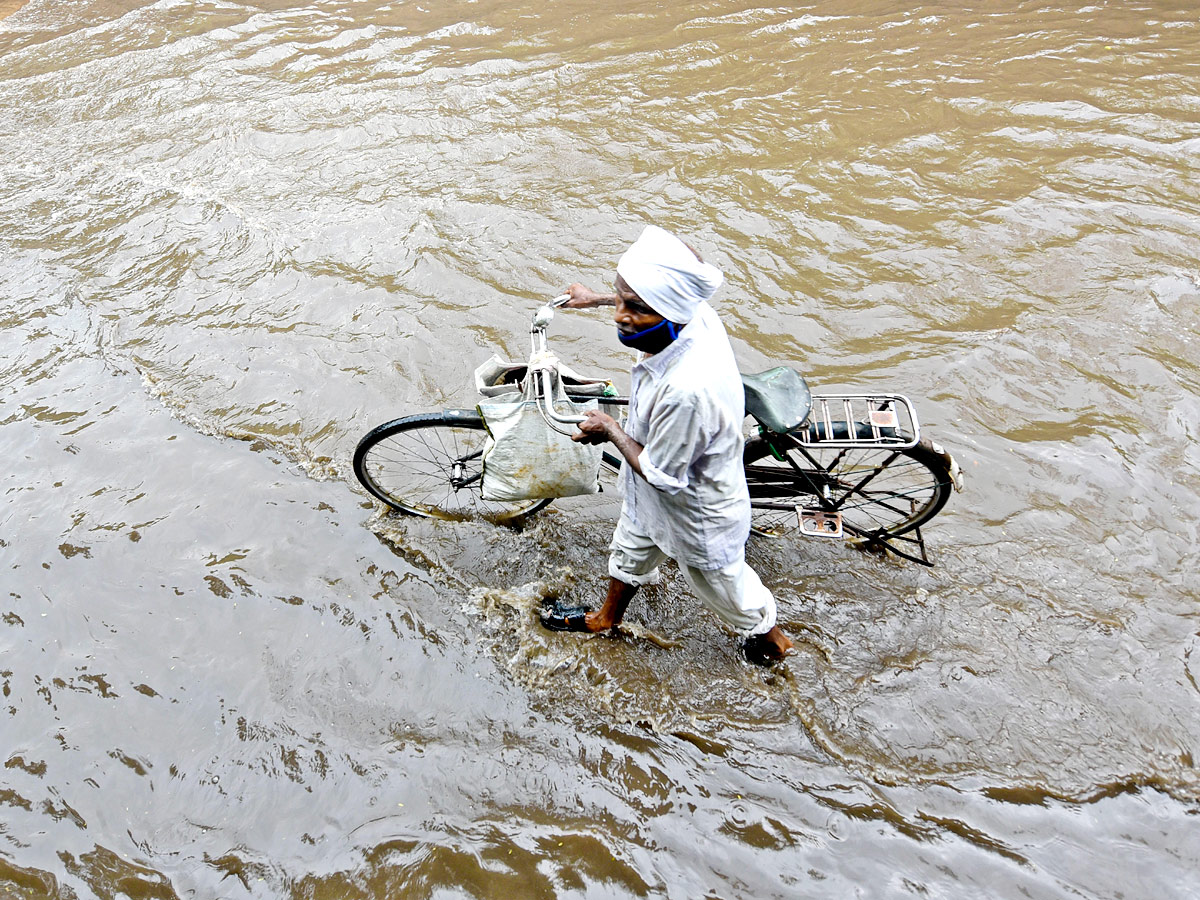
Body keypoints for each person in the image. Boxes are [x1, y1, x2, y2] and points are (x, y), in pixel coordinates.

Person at [538, 225, 793, 665]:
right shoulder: (692, 314)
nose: (620, 314)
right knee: (631, 544)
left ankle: (773, 641)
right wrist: (594, 297)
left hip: (693, 511)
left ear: (670, 311)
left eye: (634, 308)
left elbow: (663, 474)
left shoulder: (686, 390)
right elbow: (640, 299)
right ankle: (606, 618)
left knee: (727, 589)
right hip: (651, 495)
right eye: (620, 299)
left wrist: (611, 431)